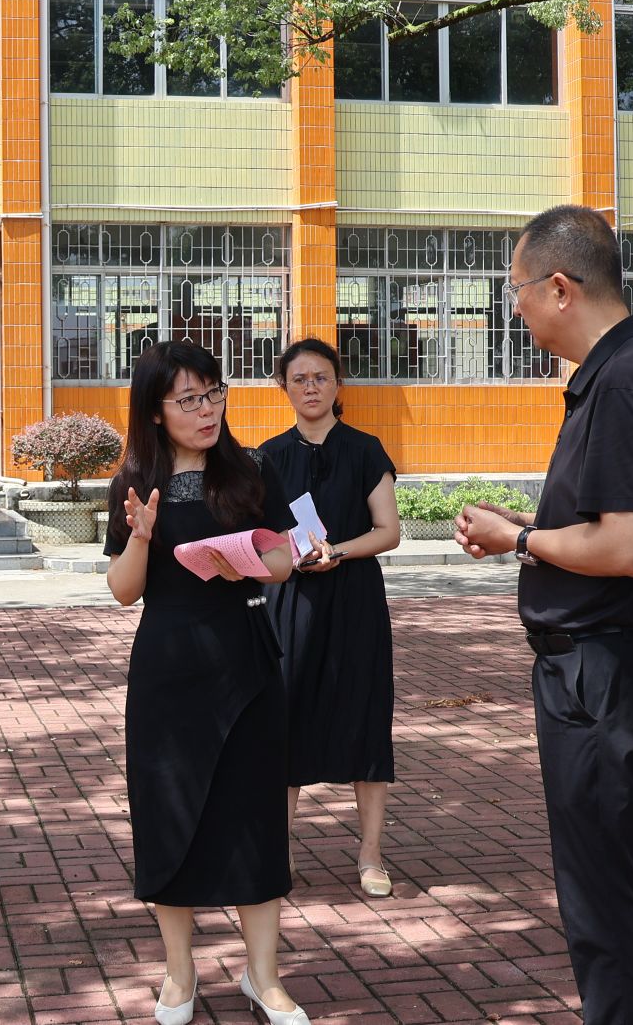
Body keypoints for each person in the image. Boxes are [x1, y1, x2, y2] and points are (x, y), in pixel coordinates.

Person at [454, 204, 633, 1024]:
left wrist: (520, 538)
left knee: (608, 895)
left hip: (606, 666)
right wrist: (528, 528)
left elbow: (626, 544)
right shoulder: (619, 373)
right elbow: (607, 522)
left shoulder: (625, 379)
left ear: (561, 287)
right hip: (600, 660)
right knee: (599, 886)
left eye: (518, 290)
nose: (515, 308)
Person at [104, 339, 307, 1025]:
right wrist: (141, 535)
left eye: (213, 392)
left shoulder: (251, 470)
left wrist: (242, 561)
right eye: (188, 399)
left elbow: (284, 560)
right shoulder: (134, 480)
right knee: (169, 814)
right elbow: (123, 591)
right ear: (155, 411)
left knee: (255, 818)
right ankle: (179, 973)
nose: (206, 409)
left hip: (246, 663)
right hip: (168, 670)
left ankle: (263, 976)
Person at [261, 338, 403, 898]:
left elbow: (388, 531)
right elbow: (261, 537)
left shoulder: (366, 450)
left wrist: (337, 551)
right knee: (283, 721)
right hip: (290, 603)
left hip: (354, 601)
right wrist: (290, 556)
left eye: (321, 377)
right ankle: (278, 851)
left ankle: (370, 853)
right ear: (284, 387)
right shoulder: (268, 457)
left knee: (365, 718)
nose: (311, 387)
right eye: (299, 379)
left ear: (338, 384)